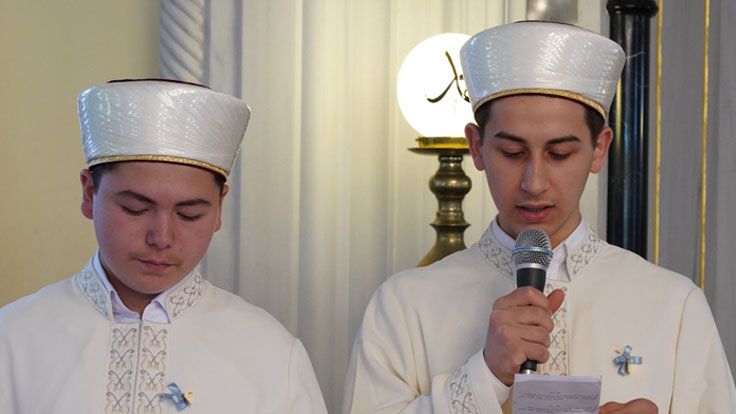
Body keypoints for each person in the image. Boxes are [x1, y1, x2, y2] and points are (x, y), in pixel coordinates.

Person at [343, 21, 736, 413]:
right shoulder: (404, 306)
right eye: (512, 153)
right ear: (477, 147)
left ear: (599, 149)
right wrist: (486, 374)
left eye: (559, 154)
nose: (534, 183)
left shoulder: (674, 306)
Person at [0, 79, 328, 413]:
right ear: (89, 194)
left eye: (189, 215)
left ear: (219, 208)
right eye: (135, 209)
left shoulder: (271, 355)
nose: (161, 238)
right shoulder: (13, 339)